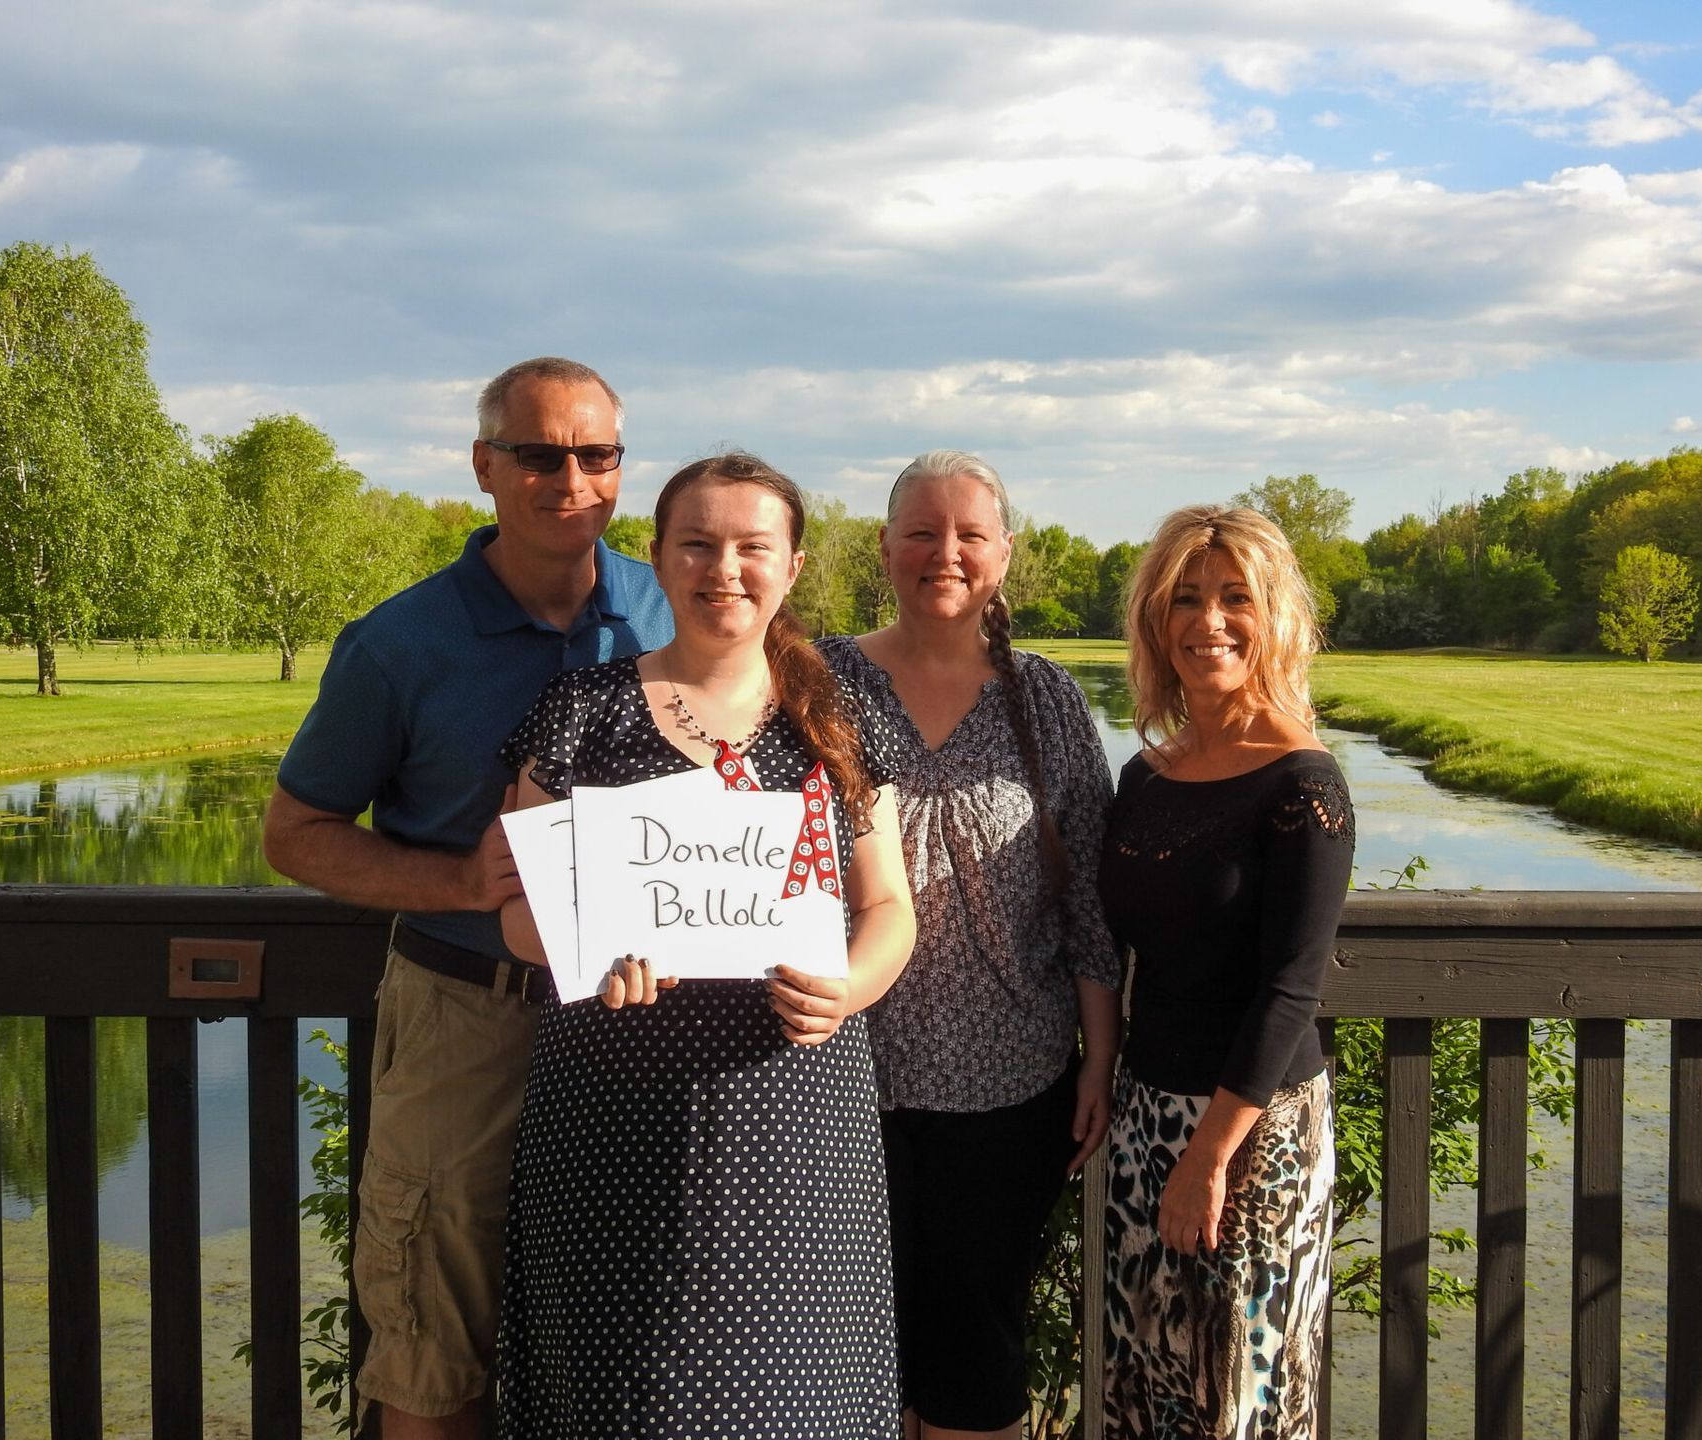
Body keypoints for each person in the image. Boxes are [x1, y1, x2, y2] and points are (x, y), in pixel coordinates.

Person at [261, 358, 672, 1440]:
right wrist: (456, 880)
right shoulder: (399, 646)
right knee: (435, 1351)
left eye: (598, 455)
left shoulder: (662, 603)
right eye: (540, 454)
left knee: (621, 1336)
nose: (570, 479)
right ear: (486, 465)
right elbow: (293, 836)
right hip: (466, 1016)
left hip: (638, 1022)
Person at [493, 452, 917, 1439]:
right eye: (698, 544)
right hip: (611, 1111)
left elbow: (890, 905)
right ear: (659, 556)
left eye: (751, 548)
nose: (724, 568)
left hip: (795, 1120)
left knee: (790, 1398)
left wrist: (847, 987)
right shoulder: (582, 711)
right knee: (615, 1392)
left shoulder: (841, 721)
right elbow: (514, 908)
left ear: (793, 567)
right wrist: (590, 952)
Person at [816, 450, 1123, 1440]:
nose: (943, 552)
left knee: (976, 1361)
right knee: (841, 1359)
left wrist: (1100, 1059)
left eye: (969, 534)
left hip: (1009, 1087)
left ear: (1004, 554)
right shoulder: (815, 682)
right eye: (921, 531)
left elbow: (1089, 907)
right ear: (885, 544)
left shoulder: (1048, 703)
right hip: (832, 1077)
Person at [1096, 505, 1354, 1439]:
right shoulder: (1146, 777)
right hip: (1143, 1119)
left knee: (1234, 1394)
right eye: (1187, 600)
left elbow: (1291, 987)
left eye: (1236, 598)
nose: (1210, 622)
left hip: (1251, 1136)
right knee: (1143, 1384)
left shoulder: (1303, 783)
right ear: (1157, 624)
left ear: (1274, 616)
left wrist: (1208, 1158)